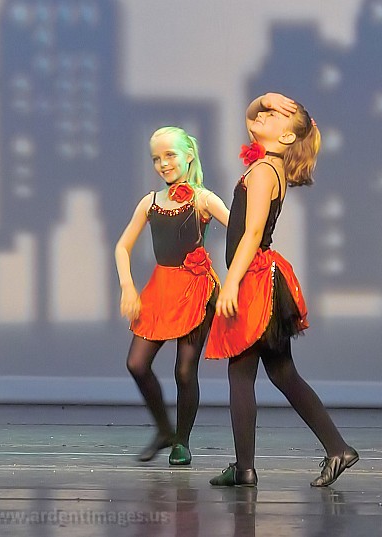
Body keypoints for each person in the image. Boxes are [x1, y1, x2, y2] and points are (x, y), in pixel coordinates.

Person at [206, 93, 358, 487]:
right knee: (282, 372)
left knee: (242, 373)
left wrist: (231, 283)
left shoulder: (262, 171)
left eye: (273, 115)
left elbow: (253, 232)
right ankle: (337, 448)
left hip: (254, 279)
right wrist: (265, 99)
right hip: (262, 276)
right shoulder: (269, 163)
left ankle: (245, 469)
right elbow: (250, 116)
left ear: (287, 137)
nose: (263, 115)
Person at [115, 127, 229, 465]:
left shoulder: (202, 199)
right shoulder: (150, 202)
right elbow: (122, 247)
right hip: (161, 288)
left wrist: (237, 276)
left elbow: (241, 230)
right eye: (156, 158)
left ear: (188, 156)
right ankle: (164, 430)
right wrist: (128, 286)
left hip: (195, 289)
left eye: (169, 155)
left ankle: (182, 441)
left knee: (184, 370)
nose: (163, 164)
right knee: (136, 363)